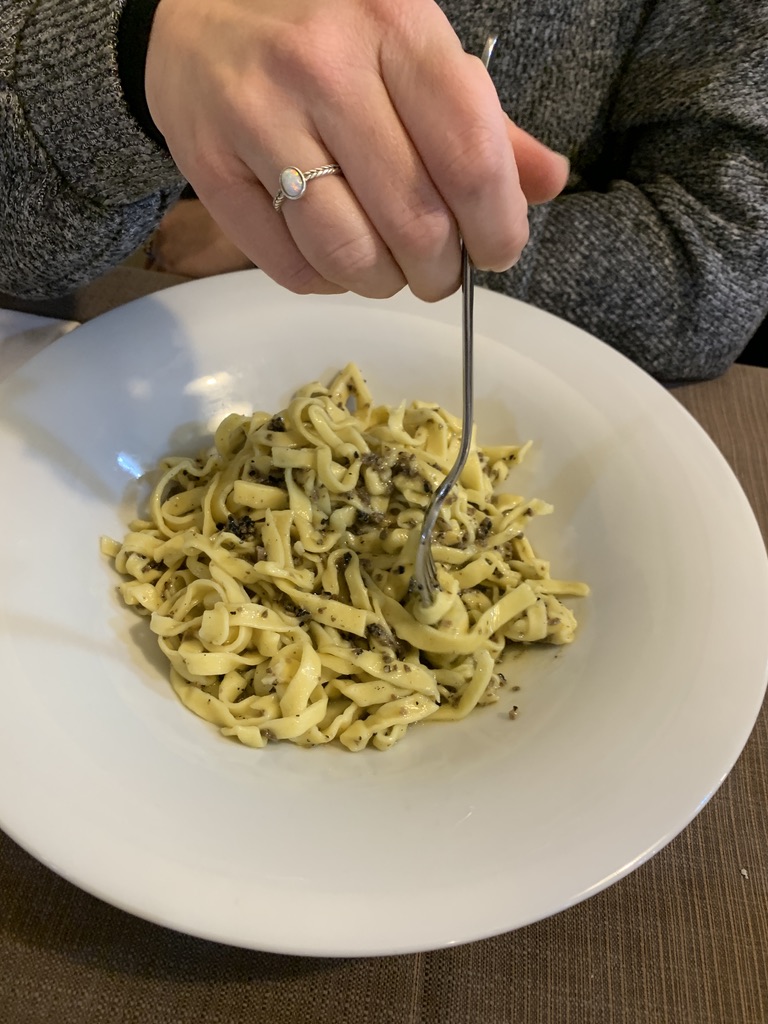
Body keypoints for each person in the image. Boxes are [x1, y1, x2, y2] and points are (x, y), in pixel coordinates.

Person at [2, 1, 767, 382]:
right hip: (118, 331)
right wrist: (136, 45)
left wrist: (272, 226)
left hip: (526, 371)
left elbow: (711, 270)